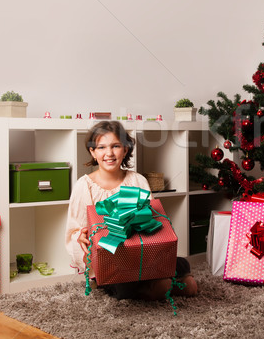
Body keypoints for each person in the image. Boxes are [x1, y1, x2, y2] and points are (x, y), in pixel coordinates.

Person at [65, 120, 197, 300]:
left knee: (181, 266)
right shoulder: (84, 186)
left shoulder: (137, 180)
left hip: (143, 257)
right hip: (113, 262)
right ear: (92, 152)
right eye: (101, 147)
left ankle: (162, 282)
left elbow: (152, 220)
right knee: (149, 284)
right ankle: (158, 286)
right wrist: (80, 235)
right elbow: (73, 230)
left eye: (116, 146)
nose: (109, 153)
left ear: (125, 150)